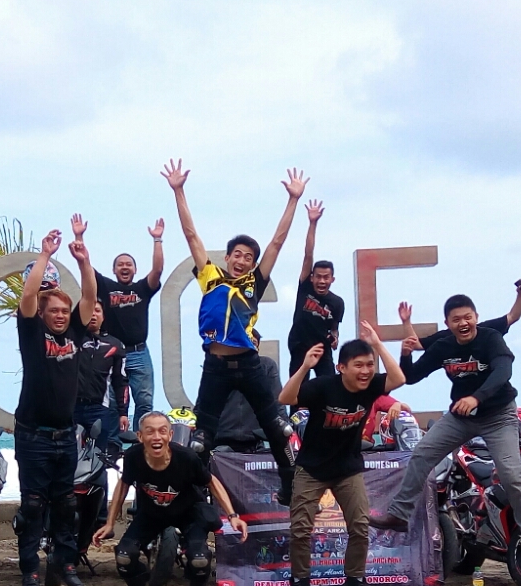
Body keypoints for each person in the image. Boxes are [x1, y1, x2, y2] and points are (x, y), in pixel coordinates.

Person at [369, 294, 521, 571]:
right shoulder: (444, 345)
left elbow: (503, 372)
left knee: (511, 475)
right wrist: (405, 354)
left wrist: (477, 397)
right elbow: (411, 377)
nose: (463, 323)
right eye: (456, 320)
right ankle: (400, 515)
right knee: (422, 454)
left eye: (467, 317)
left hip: (498, 416)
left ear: (476, 317)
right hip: (461, 416)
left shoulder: (490, 338)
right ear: (448, 323)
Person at [162, 159, 303, 504]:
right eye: (237, 255)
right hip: (216, 368)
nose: (241, 261)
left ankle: (290, 487)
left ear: (253, 264)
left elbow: (277, 243)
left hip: (250, 366)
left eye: (248, 257)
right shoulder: (210, 277)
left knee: (278, 428)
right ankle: (195, 497)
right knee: (201, 438)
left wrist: (293, 200)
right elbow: (191, 235)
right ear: (227, 258)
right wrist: (179, 191)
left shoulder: (255, 283)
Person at [279, 323, 405, 586]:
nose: (366, 371)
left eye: (370, 365)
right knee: (300, 530)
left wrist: (378, 344)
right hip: (312, 468)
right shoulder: (323, 386)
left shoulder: (371, 386)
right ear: (341, 367)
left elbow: (398, 378)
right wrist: (305, 366)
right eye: (358, 365)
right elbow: (285, 398)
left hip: (347, 468)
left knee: (360, 526)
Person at [92, 411, 249, 586]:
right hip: (152, 513)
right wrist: (110, 523)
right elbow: (123, 485)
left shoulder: (186, 457)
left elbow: (212, 482)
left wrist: (232, 515)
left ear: (170, 435)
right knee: (124, 555)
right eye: (150, 432)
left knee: (200, 559)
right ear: (140, 436)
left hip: (188, 513)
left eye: (162, 431)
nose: (156, 437)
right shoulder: (133, 457)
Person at [12, 230, 97, 586]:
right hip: (33, 434)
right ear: (43, 315)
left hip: (65, 434)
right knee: (33, 505)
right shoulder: (32, 334)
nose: (61, 316)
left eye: (64, 311)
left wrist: (83, 261)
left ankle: (64, 563)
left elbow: (90, 297)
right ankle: (30, 569)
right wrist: (45, 255)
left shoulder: (75, 334)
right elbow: (29, 296)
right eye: (54, 312)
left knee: (66, 504)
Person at [79, 214, 165, 431]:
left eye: (128, 264)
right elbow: (86, 267)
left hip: (138, 352)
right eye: (120, 264)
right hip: (112, 352)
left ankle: (140, 441)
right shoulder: (106, 287)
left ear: (135, 270)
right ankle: (113, 442)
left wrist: (157, 239)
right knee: (112, 403)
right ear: (114, 270)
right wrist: (79, 237)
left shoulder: (142, 289)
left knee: (144, 401)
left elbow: (157, 271)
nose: (124, 267)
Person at [286, 199, 343, 380]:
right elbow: (308, 255)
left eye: (326, 277)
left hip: (322, 348)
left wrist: (335, 337)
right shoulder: (306, 287)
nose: (322, 281)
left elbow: (334, 327)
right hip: (299, 344)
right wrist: (313, 223)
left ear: (332, 279)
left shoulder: (337, 302)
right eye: (318, 276)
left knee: (328, 386)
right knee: (298, 388)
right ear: (312, 277)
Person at [72, 294, 128, 464]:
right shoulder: (71, 339)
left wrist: (123, 412)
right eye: (89, 310)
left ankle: (100, 481)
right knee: (70, 455)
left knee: (98, 457)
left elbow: (121, 381)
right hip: (71, 407)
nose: (93, 314)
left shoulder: (115, 345)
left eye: (97, 311)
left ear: (103, 316)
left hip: (99, 408)